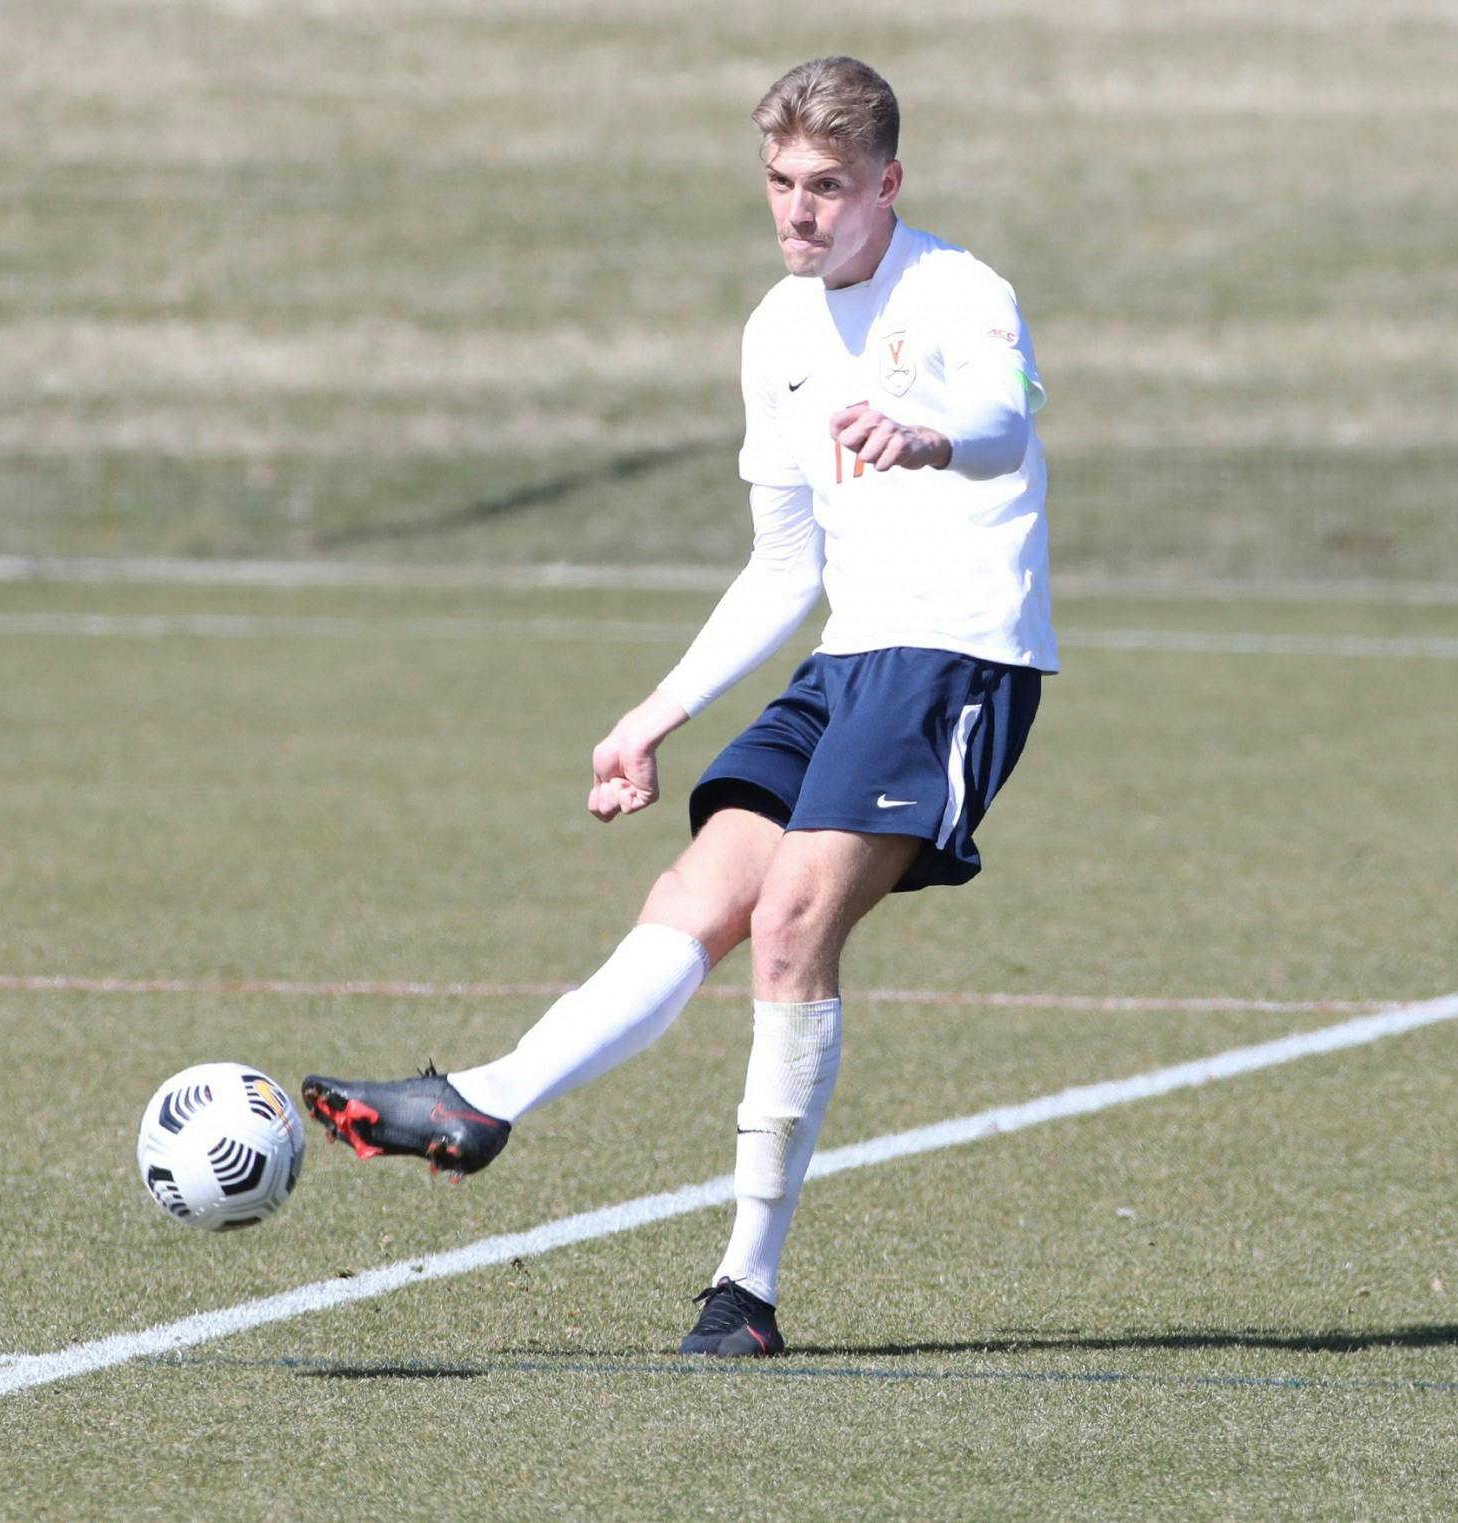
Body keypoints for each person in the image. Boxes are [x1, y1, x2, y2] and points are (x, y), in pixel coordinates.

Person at [303, 55, 1055, 1358]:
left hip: (958, 659)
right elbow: (785, 565)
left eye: (829, 186)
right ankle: (480, 1104)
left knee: (789, 929)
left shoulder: (957, 292)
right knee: (694, 905)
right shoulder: (775, 332)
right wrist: (657, 710)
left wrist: (928, 437)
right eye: (781, 183)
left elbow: (1000, 418)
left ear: (888, 182)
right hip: (846, 657)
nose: (801, 211)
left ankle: (744, 1293)